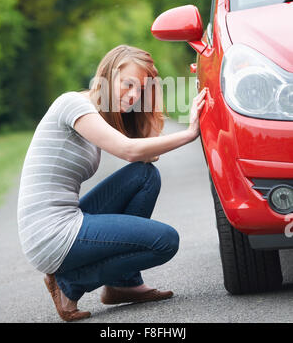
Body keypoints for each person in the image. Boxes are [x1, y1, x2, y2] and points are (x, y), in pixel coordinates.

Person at [17, 44, 207, 322]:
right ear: (108, 76)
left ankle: (123, 283)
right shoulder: (73, 105)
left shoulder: (97, 113)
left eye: (140, 91)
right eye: (127, 84)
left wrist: (150, 94)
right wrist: (190, 133)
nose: (132, 96)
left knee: (144, 176)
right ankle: (70, 283)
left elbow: (148, 154)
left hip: (64, 220)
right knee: (165, 241)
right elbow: (130, 149)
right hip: (50, 234)